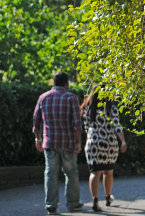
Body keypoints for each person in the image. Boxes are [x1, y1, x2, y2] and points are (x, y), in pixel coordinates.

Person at [33, 71, 83, 215]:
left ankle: (51, 205)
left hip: (49, 143)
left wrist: (38, 138)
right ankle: (73, 203)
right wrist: (78, 142)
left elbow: (36, 121)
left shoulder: (43, 97)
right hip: (68, 142)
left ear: (53, 83)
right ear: (66, 83)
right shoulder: (71, 98)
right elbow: (77, 124)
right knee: (71, 173)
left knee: (50, 174)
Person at [81, 84, 127, 212]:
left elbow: (85, 127)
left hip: (93, 143)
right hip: (109, 143)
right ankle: (107, 197)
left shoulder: (89, 108)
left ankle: (95, 200)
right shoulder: (111, 108)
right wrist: (123, 141)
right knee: (108, 172)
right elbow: (117, 126)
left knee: (94, 172)